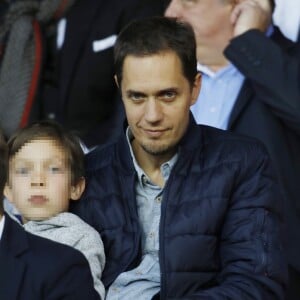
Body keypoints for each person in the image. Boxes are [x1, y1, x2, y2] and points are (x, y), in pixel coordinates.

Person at [71, 16, 287, 299]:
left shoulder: (242, 162)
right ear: (119, 89)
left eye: (168, 95)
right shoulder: (90, 173)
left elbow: (256, 285)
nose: (152, 116)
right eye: (137, 97)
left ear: (195, 88)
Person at [164, 0, 300, 298]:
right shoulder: (163, 77)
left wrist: (249, 41)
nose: (171, 12)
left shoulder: (286, 64)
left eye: (188, 2)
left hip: (275, 274)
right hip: (176, 270)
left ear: (241, 6)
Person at [0, 0, 164, 150]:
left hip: (100, 158)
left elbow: (140, 93)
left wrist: (85, 152)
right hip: (25, 157)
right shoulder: (15, 16)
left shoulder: (134, 6)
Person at [4, 121, 105, 299]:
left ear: (75, 187)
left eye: (53, 169)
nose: (38, 180)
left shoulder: (80, 238)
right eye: (23, 170)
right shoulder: (6, 235)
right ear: (8, 191)